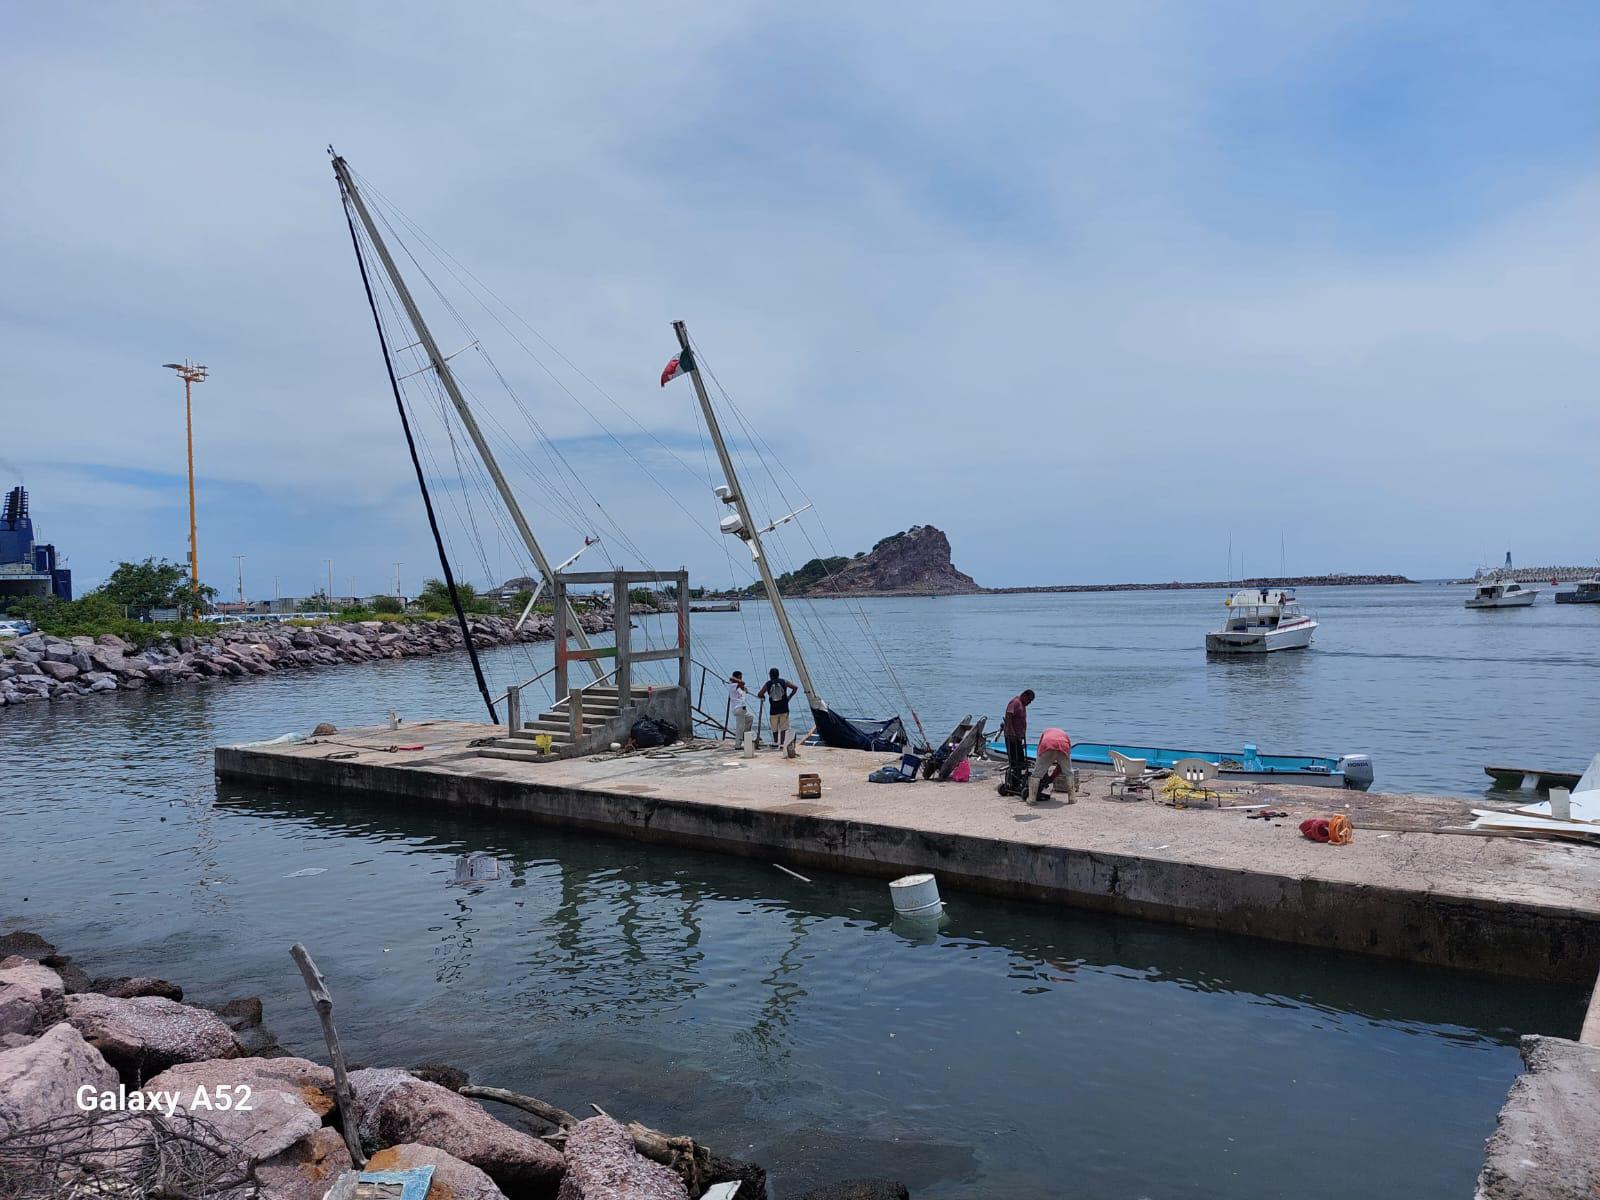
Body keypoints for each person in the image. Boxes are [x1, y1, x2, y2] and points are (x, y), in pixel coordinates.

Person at [1000, 688, 1034, 796]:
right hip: (1011, 737)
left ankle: (1017, 781)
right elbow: (1008, 716)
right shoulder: (1015, 702)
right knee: (1015, 761)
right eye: (1029, 700)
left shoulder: (1022, 705)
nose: (1029, 703)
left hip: (1018, 737)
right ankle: (1014, 782)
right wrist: (1012, 732)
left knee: (1020, 760)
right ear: (1024, 696)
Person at [1028, 726, 1074, 805]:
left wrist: (1045, 772)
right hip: (1063, 745)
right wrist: (1052, 777)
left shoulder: (1045, 734)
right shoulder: (1064, 734)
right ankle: (1072, 799)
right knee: (1068, 773)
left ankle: (1032, 799)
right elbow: (1061, 766)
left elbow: (1039, 753)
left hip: (1047, 744)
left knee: (1036, 774)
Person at [758, 667, 799, 749]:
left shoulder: (768, 684)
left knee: (774, 727)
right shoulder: (784, 681)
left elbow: (759, 694)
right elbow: (795, 687)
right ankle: (782, 744)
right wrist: (789, 697)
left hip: (773, 709)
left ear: (770, 675)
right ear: (778, 674)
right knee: (783, 727)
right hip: (784, 708)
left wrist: (763, 696)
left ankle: (776, 742)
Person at [727, 671, 752, 743]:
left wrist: (744, 689)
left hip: (742, 709)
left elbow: (743, 689)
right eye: (739, 677)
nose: (741, 679)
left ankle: (745, 736)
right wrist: (733, 678)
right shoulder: (733, 685)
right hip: (738, 708)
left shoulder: (739, 686)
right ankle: (738, 744)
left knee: (750, 718)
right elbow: (742, 683)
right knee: (739, 727)